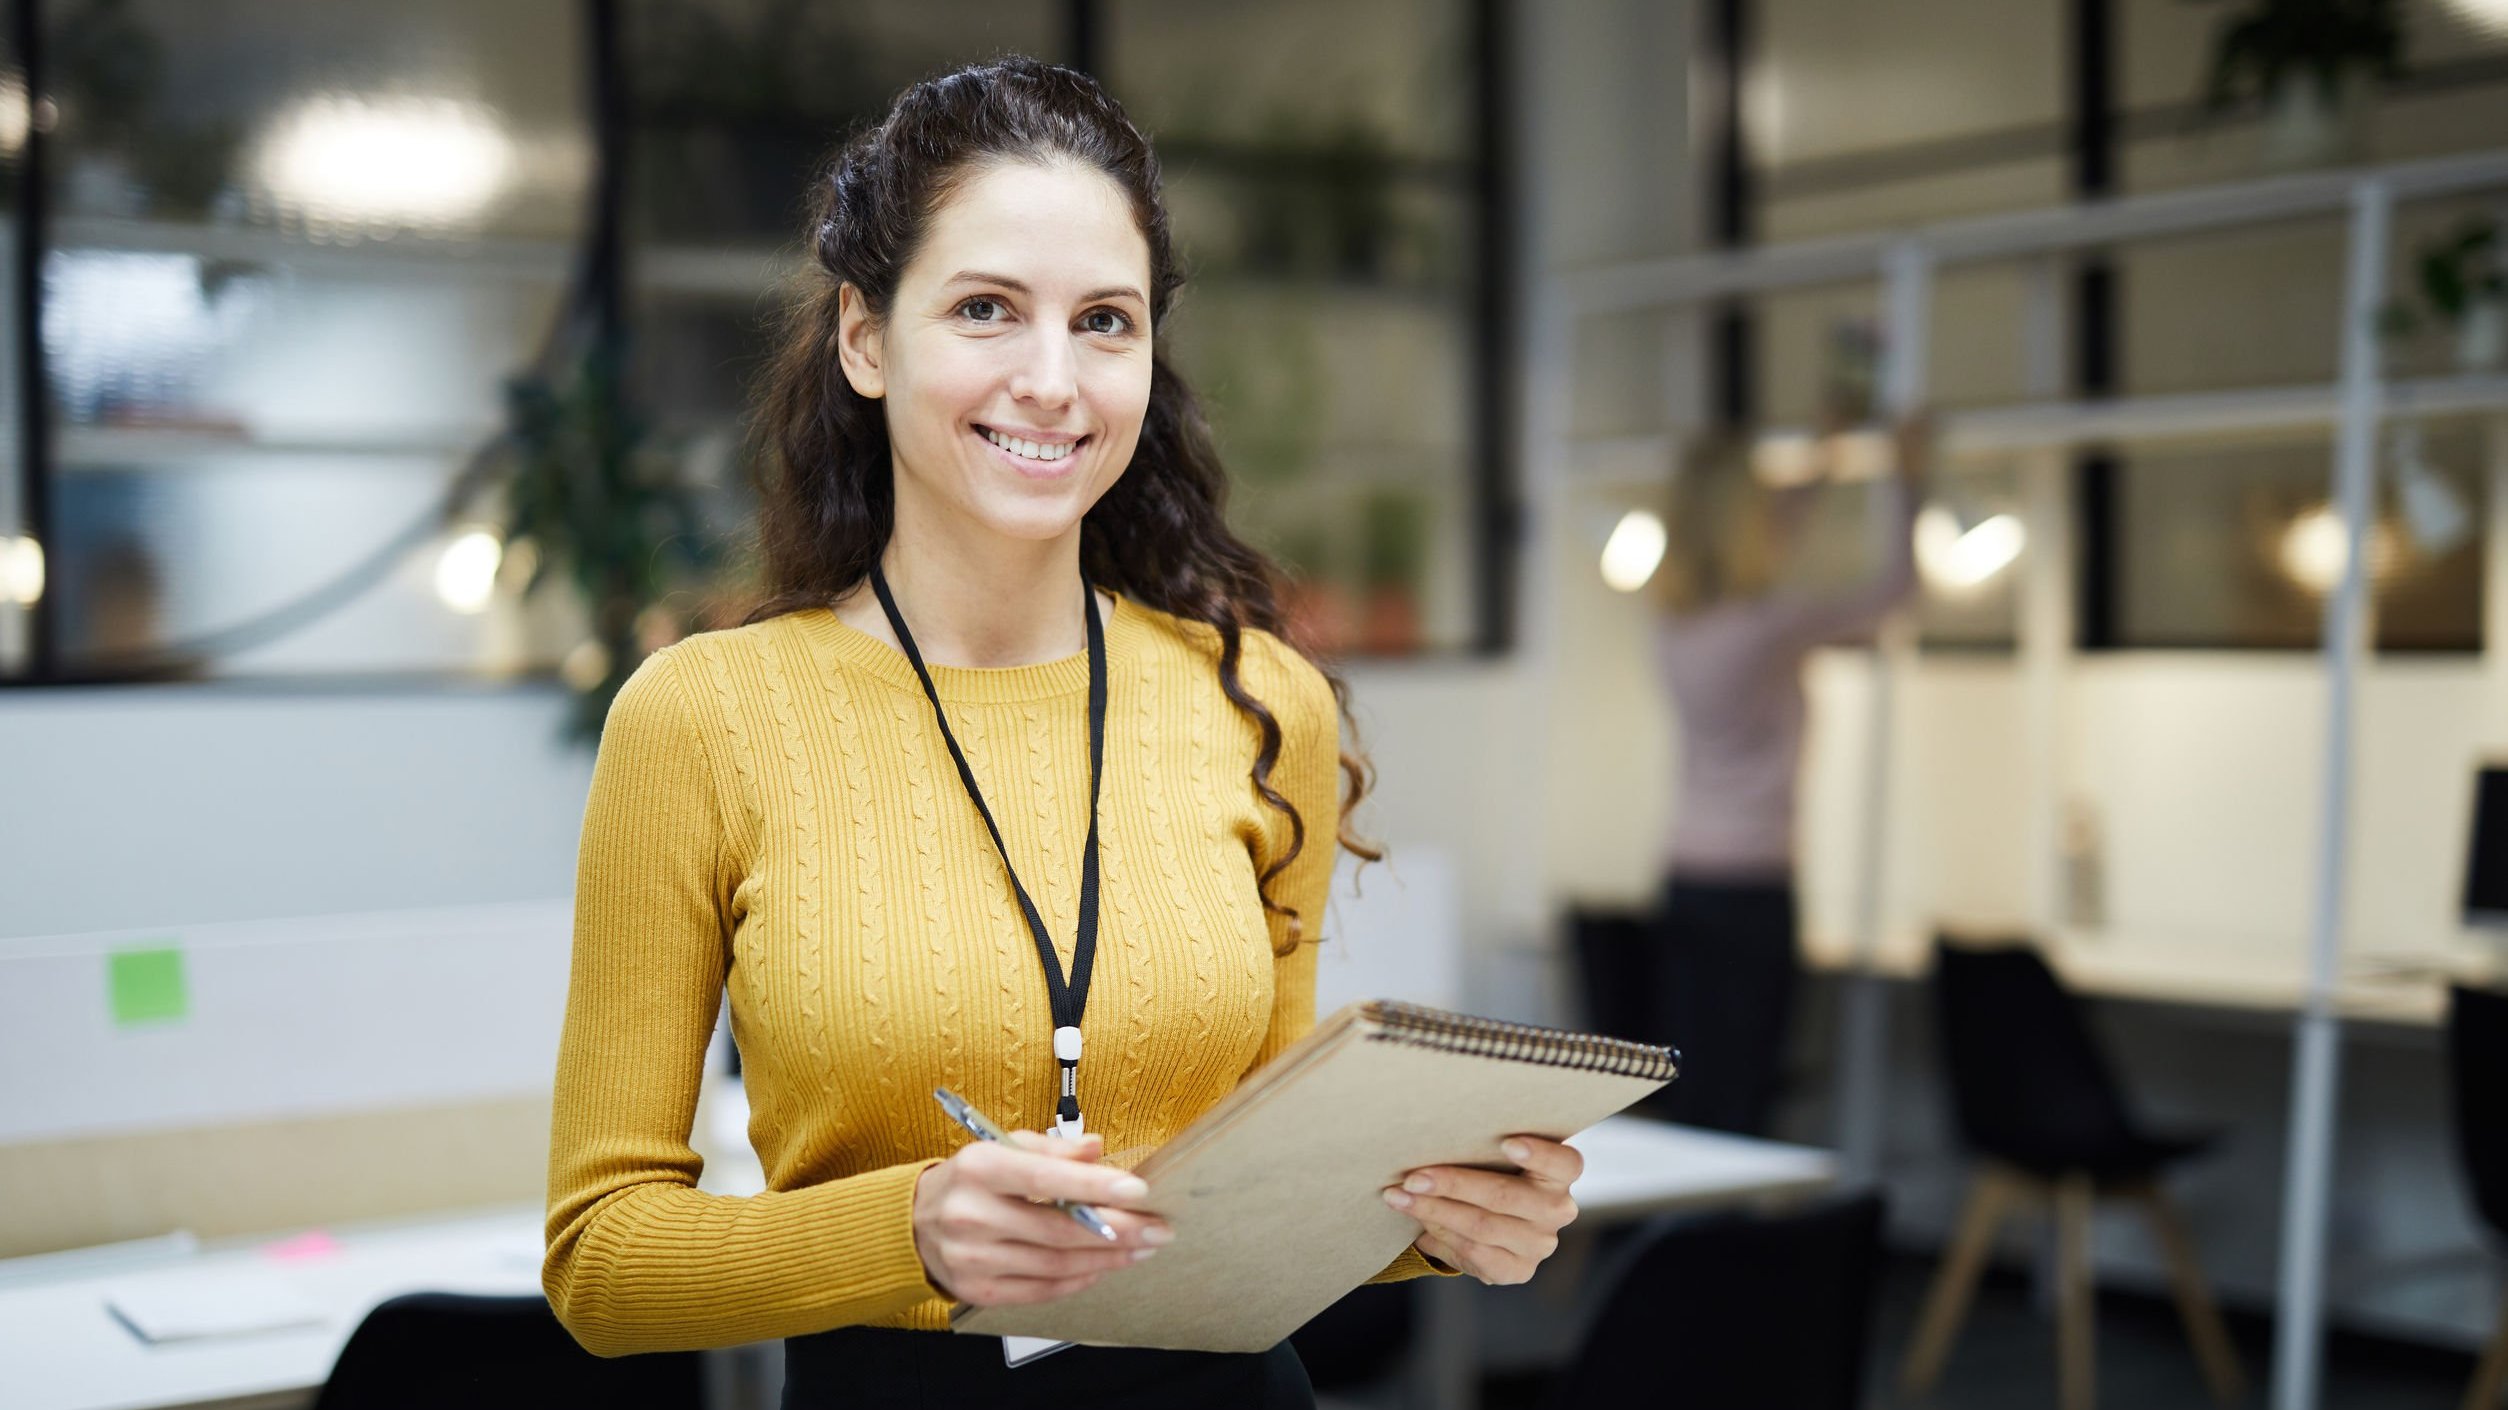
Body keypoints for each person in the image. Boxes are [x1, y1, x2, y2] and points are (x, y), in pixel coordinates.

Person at [541, 57, 1581, 1410]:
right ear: (866, 336)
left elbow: (1263, 1187)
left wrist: (1439, 1221)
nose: (1053, 380)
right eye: (986, 308)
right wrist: (907, 1228)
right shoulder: (703, 718)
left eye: (1105, 321)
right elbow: (599, 1260)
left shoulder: (1260, 700)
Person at [1634, 415, 1925, 1136]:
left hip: (1688, 877)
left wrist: (1828, 458)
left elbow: (1774, 535)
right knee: (1741, 1102)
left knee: (1701, 1093)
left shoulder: (1676, 619)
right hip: (1752, 888)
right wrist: (1910, 478)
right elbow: (1893, 592)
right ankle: (1726, 1242)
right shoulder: (1762, 627)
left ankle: (1694, 1240)